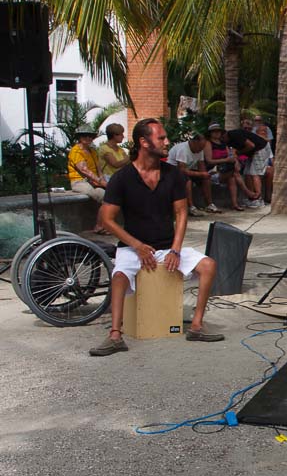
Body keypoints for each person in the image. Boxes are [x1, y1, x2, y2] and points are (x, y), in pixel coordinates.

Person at [90, 118, 224, 356]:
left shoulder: (172, 174)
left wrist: (175, 249)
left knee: (208, 265)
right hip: (133, 247)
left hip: (166, 246)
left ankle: (196, 326)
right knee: (119, 275)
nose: (166, 142)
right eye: (161, 138)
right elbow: (107, 220)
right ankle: (114, 335)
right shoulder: (122, 178)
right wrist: (137, 245)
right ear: (143, 142)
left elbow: (181, 213)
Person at [166, 133, 220, 215]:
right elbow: (182, 170)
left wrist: (205, 174)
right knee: (188, 181)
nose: (200, 149)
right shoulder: (183, 149)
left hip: (188, 170)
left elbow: (201, 166)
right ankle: (191, 207)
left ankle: (209, 204)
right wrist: (200, 174)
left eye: (202, 147)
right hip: (173, 171)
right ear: (194, 142)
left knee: (206, 179)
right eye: (200, 147)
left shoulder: (200, 150)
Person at [68, 126, 108, 234]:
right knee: (104, 196)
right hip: (79, 182)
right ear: (79, 138)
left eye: (90, 136)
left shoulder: (92, 151)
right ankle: (99, 226)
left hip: (93, 181)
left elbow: (99, 170)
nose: (88, 138)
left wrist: (104, 182)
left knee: (109, 196)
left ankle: (103, 225)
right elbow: (84, 170)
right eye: (84, 136)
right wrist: (101, 182)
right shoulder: (76, 151)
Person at [205, 123, 250, 211]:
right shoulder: (208, 143)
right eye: (214, 132)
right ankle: (247, 192)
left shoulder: (223, 144)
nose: (217, 133)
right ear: (210, 133)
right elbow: (209, 160)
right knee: (233, 175)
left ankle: (235, 204)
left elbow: (230, 156)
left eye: (218, 131)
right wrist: (225, 160)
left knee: (232, 177)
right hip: (212, 170)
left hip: (224, 169)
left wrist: (235, 161)